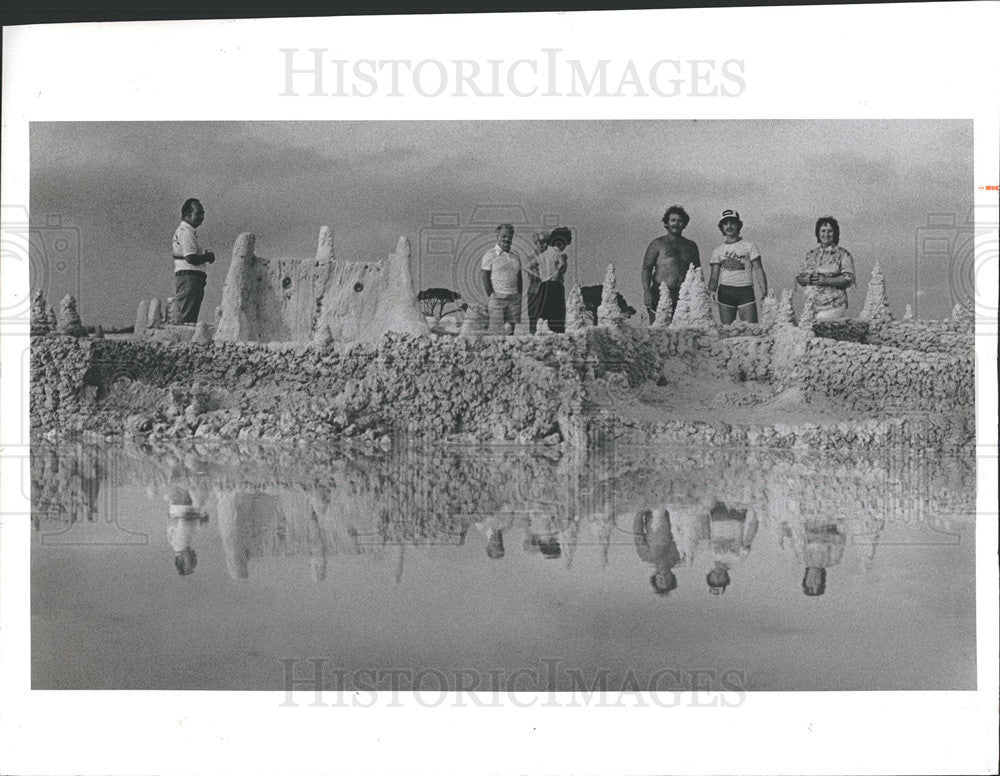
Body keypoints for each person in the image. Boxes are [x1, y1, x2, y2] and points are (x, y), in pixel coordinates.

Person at [642, 206, 701, 323]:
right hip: (660, 293)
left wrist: (698, 293)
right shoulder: (658, 243)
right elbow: (646, 268)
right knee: (659, 331)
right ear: (666, 223)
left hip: (684, 295)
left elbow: (697, 271)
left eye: (679, 221)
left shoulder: (691, 245)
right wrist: (646, 292)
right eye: (673, 220)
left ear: (684, 224)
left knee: (683, 333)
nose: (676, 224)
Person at [708, 209, 768, 325]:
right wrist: (711, 290)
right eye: (725, 223)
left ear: (738, 225)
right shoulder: (718, 250)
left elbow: (758, 269)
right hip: (725, 292)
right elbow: (714, 275)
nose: (729, 226)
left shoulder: (749, 245)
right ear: (722, 227)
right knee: (727, 331)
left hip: (745, 291)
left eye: (732, 223)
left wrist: (764, 292)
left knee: (752, 330)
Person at [796, 216, 856, 321]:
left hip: (833, 304)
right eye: (823, 231)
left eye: (830, 231)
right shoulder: (811, 255)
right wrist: (807, 279)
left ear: (835, 233)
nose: (826, 235)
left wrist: (826, 280)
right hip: (812, 304)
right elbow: (799, 277)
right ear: (818, 233)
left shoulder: (842, 254)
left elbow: (849, 278)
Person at [171, 198, 215, 324]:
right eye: (198, 213)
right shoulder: (186, 232)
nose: (201, 217)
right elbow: (191, 258)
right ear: (187, 214)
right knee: (187, 318)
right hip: (189, 277)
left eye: (203, 214)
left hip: (190, 277)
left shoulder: (188, 232)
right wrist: (208, 257)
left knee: (188, 315)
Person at [704, 501, 758, 596]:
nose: (717, 577)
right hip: (736, 515)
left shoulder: (710, 554)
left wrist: (706, 513)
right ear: (726, 578)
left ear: (709, 576)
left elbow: (707, 531)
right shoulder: (738, 558)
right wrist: (755, 515)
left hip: (716, 513)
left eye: (713, 580)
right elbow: (749, 536)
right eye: (720, 581)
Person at [481, 223, 523, 335]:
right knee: (496, 331)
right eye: (504, 236)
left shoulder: (515, 256)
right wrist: (491, 295)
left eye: (510, 237)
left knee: (510, 332)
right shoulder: (490, 254)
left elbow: (519, 276)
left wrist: (520, 294)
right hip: (497, 297)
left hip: (514, 297)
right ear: (497, 236)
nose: (507, 239)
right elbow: (485, 276)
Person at [633, 508, 681, 597]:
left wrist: (640, 512)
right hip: (674, 509)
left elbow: (638, 533)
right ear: (672, 577)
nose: (664, 578)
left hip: (651, 511)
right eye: (667, 580)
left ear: (655, 577)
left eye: (660, 580)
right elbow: (684, 531)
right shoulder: (680, 557)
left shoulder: (645, 556)